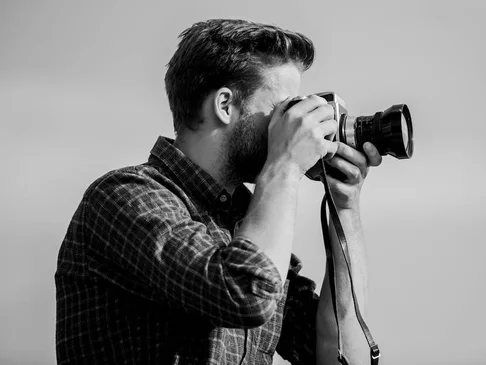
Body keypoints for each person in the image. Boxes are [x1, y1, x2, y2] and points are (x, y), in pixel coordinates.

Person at [55, 19, 382, 365]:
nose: (290, 127)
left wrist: (345, 209)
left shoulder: (246, 225)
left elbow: (340, 355)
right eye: (283, 110)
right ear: (225, 105)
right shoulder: (125, 198)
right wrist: (284, 164)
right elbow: (247, 292)